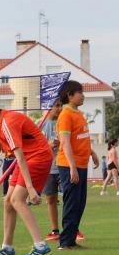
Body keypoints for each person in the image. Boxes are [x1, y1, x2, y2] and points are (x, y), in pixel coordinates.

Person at [0, 93, 53, 255]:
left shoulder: (7, 123)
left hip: (37, 158)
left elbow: (20, 156)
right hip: (25, 159)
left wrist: (31, 189)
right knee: (8, 201)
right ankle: (7, 247)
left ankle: (41, 246)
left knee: (17, 200)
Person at [56, 81, 99, 250]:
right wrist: (72, 167)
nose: (83, 95)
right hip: (69, 166)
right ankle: (65, 242)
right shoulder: (66, 115)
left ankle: (71, 240)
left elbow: (82, 137)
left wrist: (92, 153)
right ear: (70, 95)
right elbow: (65, 142)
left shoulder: (78, 114)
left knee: (80, 203)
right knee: (72, 202)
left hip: (81, 164)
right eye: (80, 92)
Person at [40, 100, 86, 241]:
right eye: (56, 106)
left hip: (64, 165)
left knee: (70, 198)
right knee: (51, 199)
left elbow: (75, 141)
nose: (59, 108)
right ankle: (55, 231)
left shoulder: (66, 118)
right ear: (48, 108)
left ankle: (73, 229)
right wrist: (48, 144)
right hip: (48, 167)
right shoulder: (40, 124)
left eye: (61, 105)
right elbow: (35, 147)